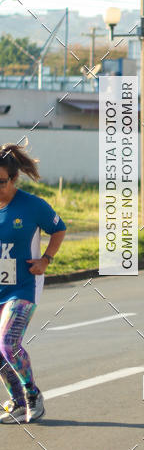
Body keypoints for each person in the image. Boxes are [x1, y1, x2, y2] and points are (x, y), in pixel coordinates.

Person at [0, 143, 66, 424]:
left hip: (23, 285)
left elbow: (59, 228)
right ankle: (16, 400)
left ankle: (32, 396)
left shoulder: (32, 205)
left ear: (14, 179)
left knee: (8, 343)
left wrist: (46, 259)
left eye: (1, 182)